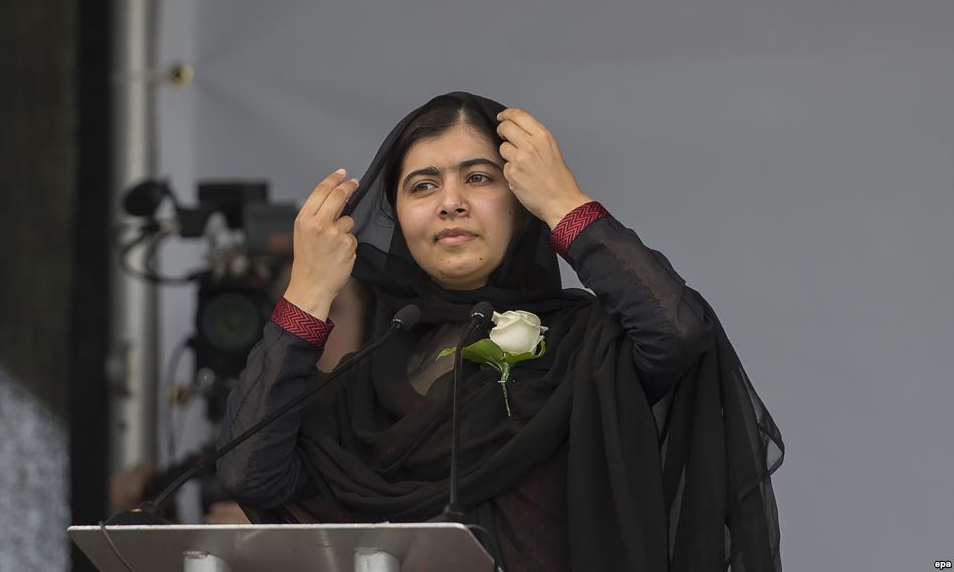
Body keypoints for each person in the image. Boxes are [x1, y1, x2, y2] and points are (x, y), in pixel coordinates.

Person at [217, 92, 784, 571]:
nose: (451, 203)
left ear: (522, 201)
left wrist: (565, 202)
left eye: (480, 178)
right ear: (396, 217)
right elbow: (251, 472)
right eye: (422, 186)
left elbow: (678, 331)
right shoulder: (373, 372)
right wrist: (307, 294)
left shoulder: (588, 343)